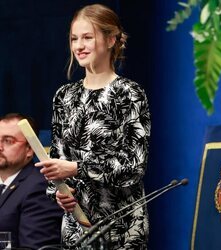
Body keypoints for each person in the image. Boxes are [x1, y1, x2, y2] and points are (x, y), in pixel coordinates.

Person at [35, 3, 151, 250]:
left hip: (122, 229)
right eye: (74, 38)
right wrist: (59, 193)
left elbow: (134, 166)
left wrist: (76, 168)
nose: (78, 46)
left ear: (111, 40)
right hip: (77, 231)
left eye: (87, 37)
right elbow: (57, 160)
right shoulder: (64, 96)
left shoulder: (129, 93)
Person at [0, 112, 63, 250]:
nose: (0, 147)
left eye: (8, 141)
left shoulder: (39, 187)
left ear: (29, 149)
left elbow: (34, 248)